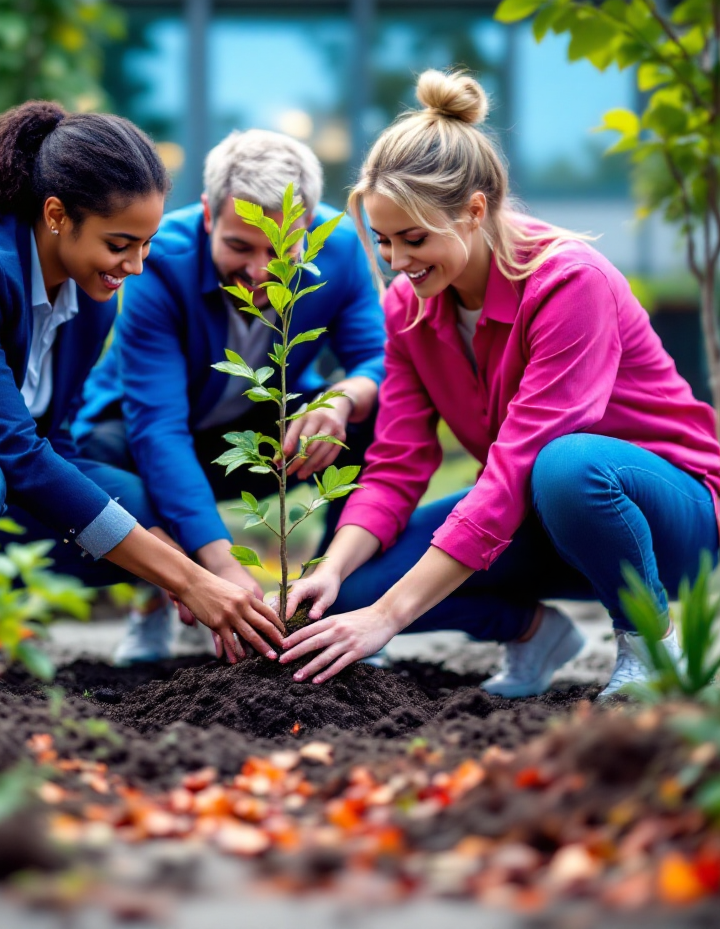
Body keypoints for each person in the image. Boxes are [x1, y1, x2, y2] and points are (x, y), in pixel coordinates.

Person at [278, 69, 720, 698]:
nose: (398, 263)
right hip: (539, 516)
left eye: (414, 238)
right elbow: (396, 463)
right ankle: (533, 633)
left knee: (567, 465)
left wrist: (390, 619)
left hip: (668, 517)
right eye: (382, 242)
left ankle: (651, 647)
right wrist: (334, 567)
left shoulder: (569, 283)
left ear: (474, 211)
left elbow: (519, 464)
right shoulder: (409, 307)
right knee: (349, 595)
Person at [0, 102, 282, 693]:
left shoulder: (90, 298)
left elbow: (54, 443)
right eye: (120, 243)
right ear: (57, 214)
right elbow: (14, 452)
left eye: (145, 244)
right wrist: (189, 578)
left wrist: (174, 563)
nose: (136, 266)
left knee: (139, 503)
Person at [74, 128, 386, 662]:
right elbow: (159, 431)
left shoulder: (340, 249)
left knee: (369, 422)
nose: (260, 271)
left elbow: (381, 360)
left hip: (262, 431)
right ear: (208, 214)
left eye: (280, 250)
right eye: (239, 246)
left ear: (307, 225)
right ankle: (158, 596)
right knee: (105, 459)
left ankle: (335, 607)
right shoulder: (159, 263)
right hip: (141, 441)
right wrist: (222, 570)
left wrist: (345, 396)